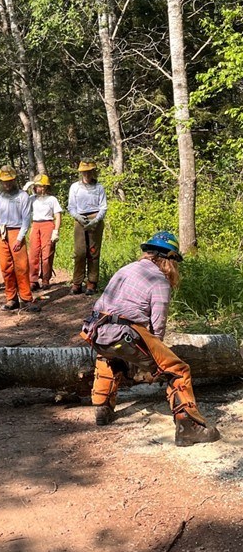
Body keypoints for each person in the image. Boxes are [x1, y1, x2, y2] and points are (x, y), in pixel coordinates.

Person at [81, 231, 220, 447]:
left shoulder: (125, 269)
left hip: (96, 333)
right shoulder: (159, 281)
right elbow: (157, 329)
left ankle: (102, 408)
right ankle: (188, 428)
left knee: (109, 355)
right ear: (169, 259)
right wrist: (152, 364)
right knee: (177, 369)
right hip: (123, 335)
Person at [0, 166, 39, 312]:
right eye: (5, 182)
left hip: (17, 232)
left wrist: (19, 238)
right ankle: (11, 299)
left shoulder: (22, 196)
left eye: (10, 181)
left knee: (22, 267)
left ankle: (26, 299)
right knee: (6, 268)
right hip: (1, 233)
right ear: (0, 182)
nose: (7, 184)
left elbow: (26, 218)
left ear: (14, 180)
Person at [67, 158, 107, 295]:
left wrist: (96, 220)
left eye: (89, 171)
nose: (87, 174)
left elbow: (103, 207)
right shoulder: (75, 187)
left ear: (93, 172)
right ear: (80, 172)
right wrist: (78, 217)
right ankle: (77, 282)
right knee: (80, 252)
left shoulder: (99, 187)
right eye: (84, 172)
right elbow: (71, 206)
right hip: (80, 220)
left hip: (95, 219)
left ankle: (92, 282)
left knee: (93, 252)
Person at [24, 174, 62, 291]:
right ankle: (33, 280)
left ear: (46, 187)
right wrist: (25, 189)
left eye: (41, 186)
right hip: (35, 225)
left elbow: (57, 215)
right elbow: (20, 203)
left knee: (47, 254)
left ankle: (46, 279)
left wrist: (56, 230)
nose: (38, 188)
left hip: (48, 225)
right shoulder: (31, 199)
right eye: (36, 186)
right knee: (33, 253)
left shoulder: (52, 199)